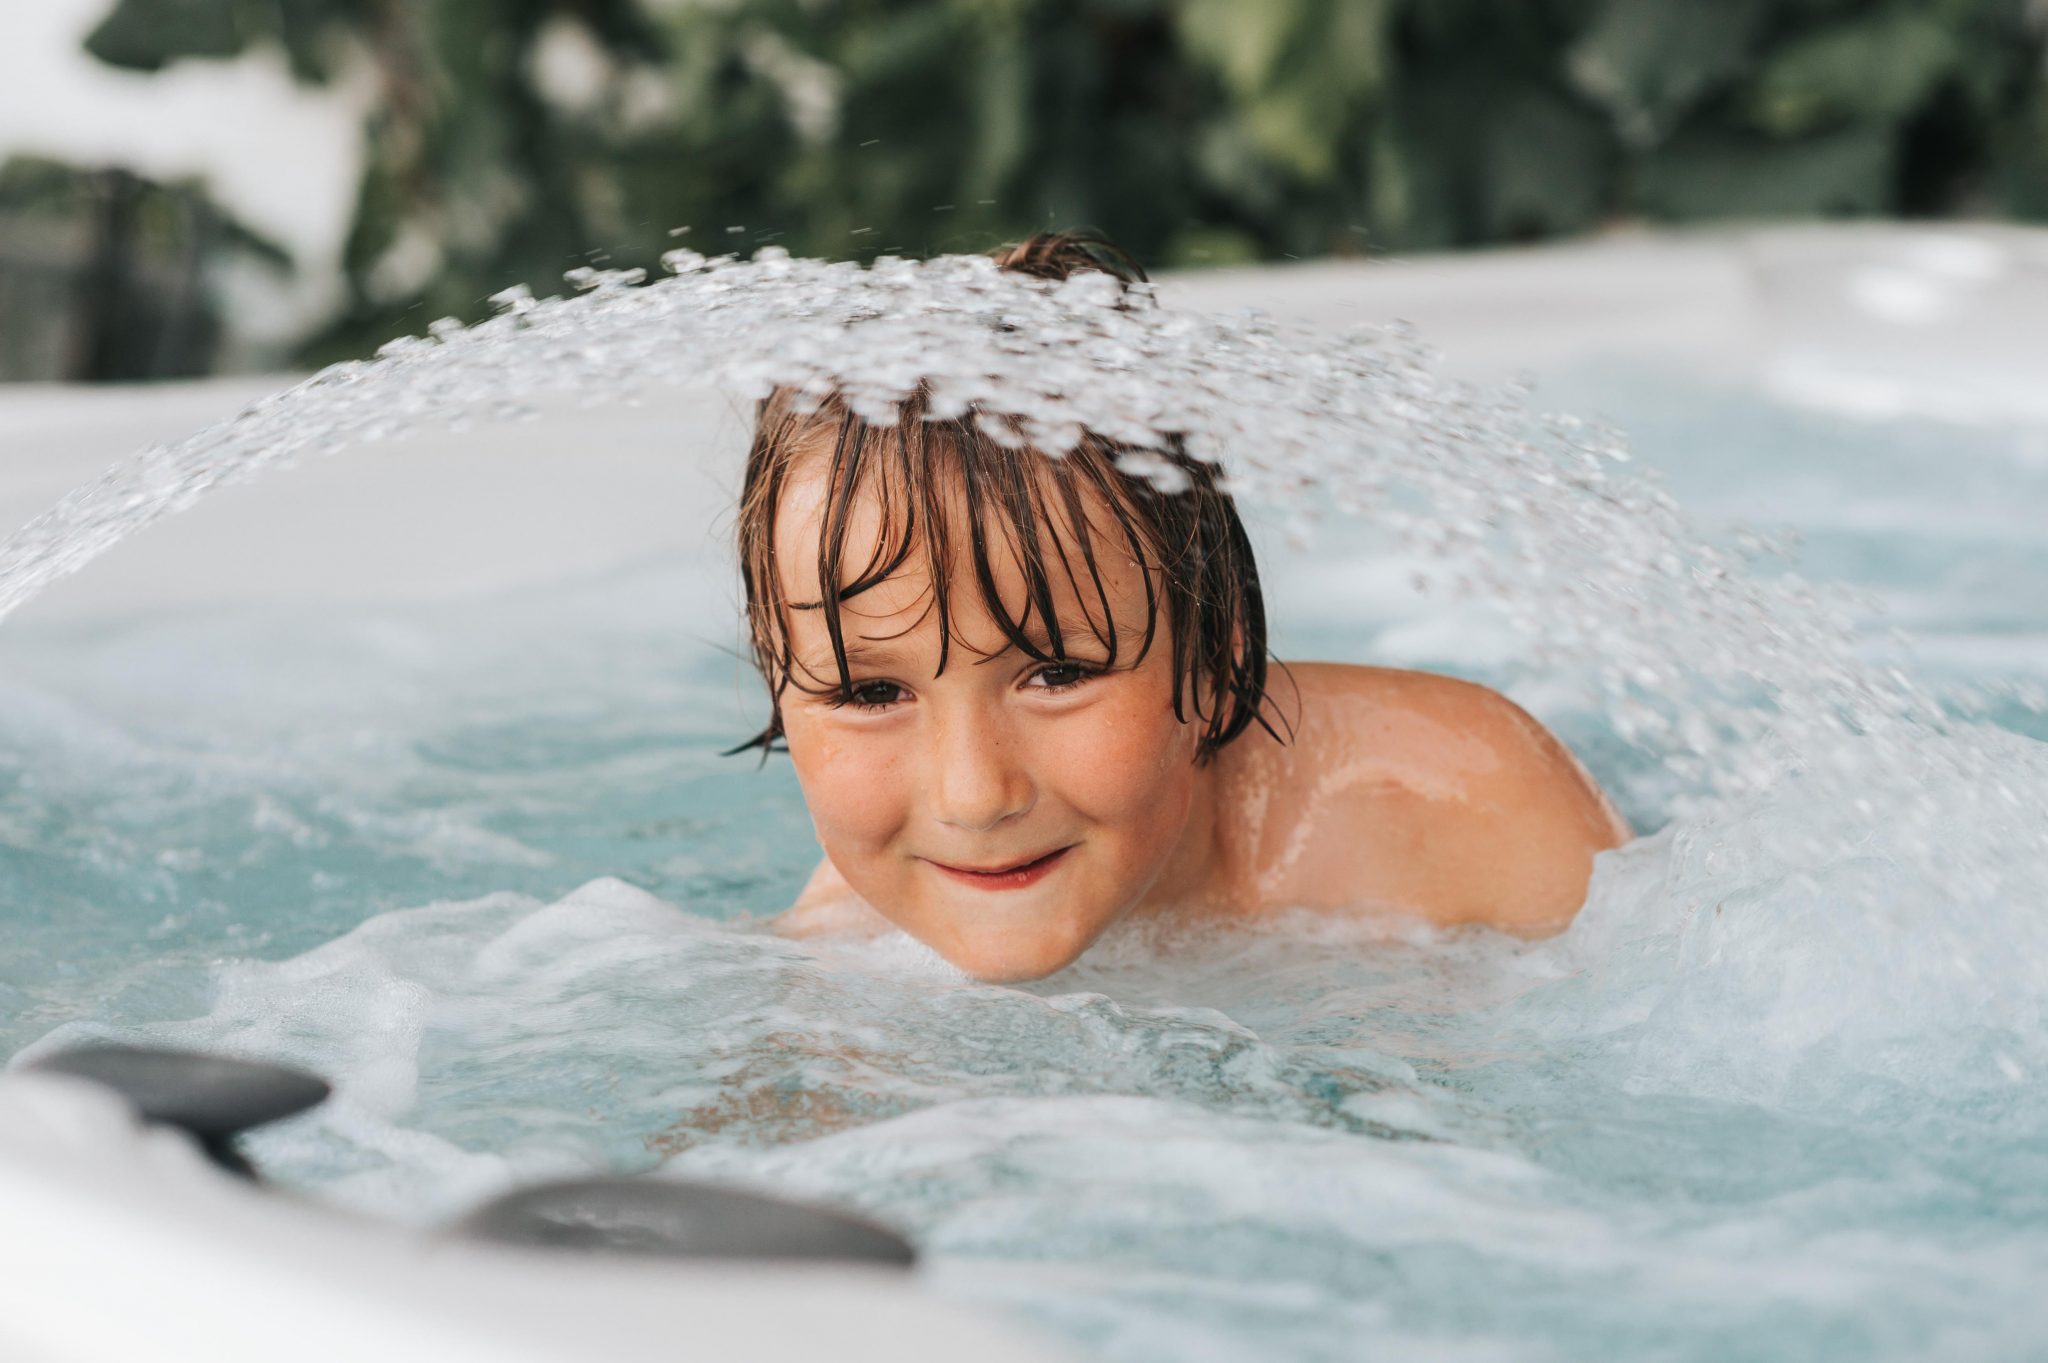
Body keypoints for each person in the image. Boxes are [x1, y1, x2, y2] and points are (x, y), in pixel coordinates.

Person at [735, 231, 1630, 983]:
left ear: (1212, 658)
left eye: (1058, 672)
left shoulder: (1468, 801)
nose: (973, 797)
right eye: (868, 693)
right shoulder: (840, 966)